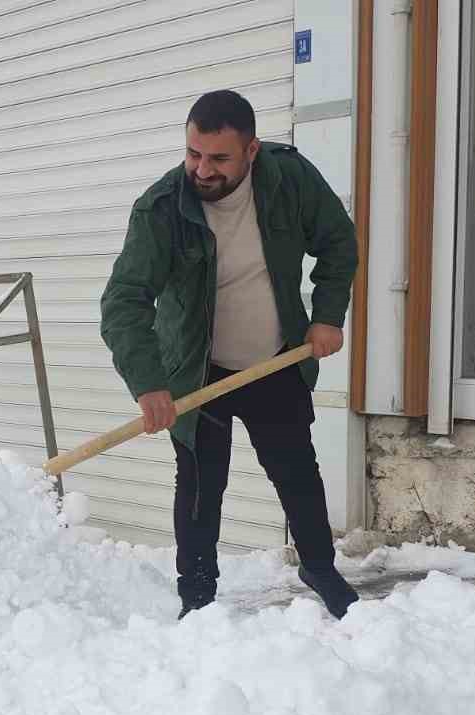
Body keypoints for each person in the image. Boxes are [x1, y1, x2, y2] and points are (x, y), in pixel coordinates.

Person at [99, 89, 360, 620]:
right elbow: (124, 301)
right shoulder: (162, 209)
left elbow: (338, 240)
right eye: (193, 153)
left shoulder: (289, 179)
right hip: (198, 371)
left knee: (297, 472)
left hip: (273, 358)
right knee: (199, 486)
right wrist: (149, 384)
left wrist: (328, 315)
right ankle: (197, 596)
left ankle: (319, 566)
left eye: (218, 158)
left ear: (252, 151)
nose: (202, 169)